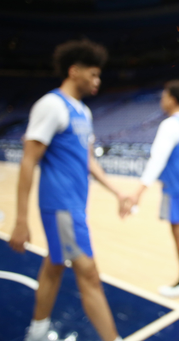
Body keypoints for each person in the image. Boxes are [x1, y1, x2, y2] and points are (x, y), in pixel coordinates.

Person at [9, 39, 124, 341]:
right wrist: (21, 220)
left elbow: (88, 161)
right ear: (74, 71)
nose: (97, 81)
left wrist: (118, 192)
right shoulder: (51, 105)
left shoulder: (83, 113)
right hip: (60, 206)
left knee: (54, 266)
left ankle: (37, 330)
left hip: (75, 205)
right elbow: (28, 161)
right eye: (94, 74)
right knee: (90, 276)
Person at [125, 80, 179, 298]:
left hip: (175, 183)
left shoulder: (170, 124)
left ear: (172, 98)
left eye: (163, 96)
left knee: (176, 227)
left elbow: (157, 160)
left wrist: (138, 192)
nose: (161, 100)